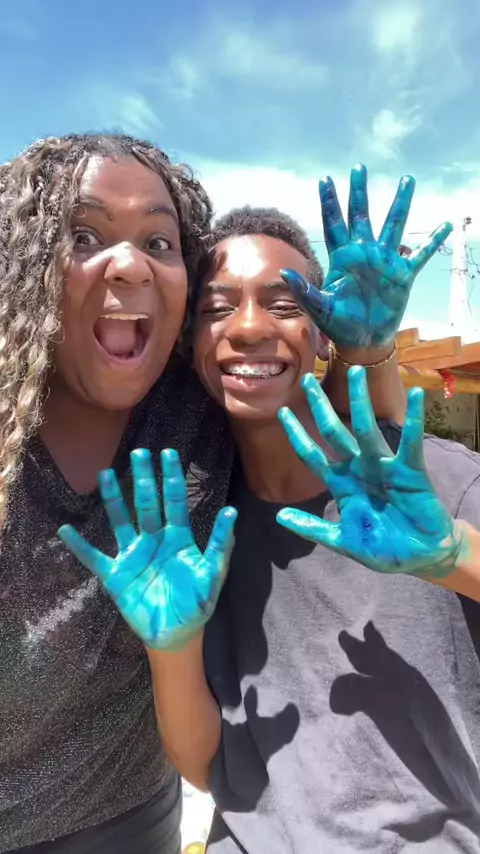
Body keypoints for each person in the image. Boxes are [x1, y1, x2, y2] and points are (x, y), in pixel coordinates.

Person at [0, 135, 408, 854]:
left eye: (158, 242)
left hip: (129, 821)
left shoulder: (202, 413)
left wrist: (368, 349)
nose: (130, 263)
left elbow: (368, 441)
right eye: (84, 235)